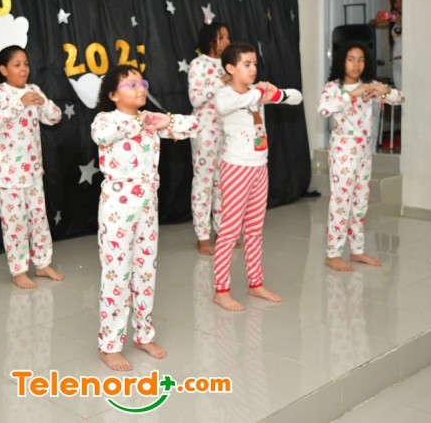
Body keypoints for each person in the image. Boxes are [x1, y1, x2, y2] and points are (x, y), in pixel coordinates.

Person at [91, 66, 198, 371]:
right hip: (117, 209)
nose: (140, 88)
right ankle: (110, 345)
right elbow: (102, 135)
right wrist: (137, 122)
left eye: (142, 83)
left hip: (148, 208)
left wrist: (167, 121)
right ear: (113, 95)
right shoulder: (106, 119)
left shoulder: (149, 120)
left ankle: (143, 334)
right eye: (131, 84)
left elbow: (195, 126)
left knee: (145, 273)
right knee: (117, 275)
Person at [212, 42, 303, 311]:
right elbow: (226, 105)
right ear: (231, 68)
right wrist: (259, 94)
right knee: (229, 231)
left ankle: (256, 283)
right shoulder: (226, 95)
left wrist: (275, 93)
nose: (253, 69)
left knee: (254, 230)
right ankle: (221, 291)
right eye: (246, 64)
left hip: (260, 167)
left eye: (254, 64)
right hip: (236, 168)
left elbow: (296, 97)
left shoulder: (256, 93)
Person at [318, 42, 405, 272]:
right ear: (342, 62)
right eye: (351, 59)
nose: (356, 64)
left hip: (364, 154)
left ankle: (357, 250)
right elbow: (324, 109)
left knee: (360, 202)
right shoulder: (333, 87)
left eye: (361, 60)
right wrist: (351, 94)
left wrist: (384, 91)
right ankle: (333, 254)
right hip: (342, 154)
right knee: (340, 203)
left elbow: (400, 98)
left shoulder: (369, 86)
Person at [0, 45, 64, 289]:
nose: (23, 69)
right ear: (3, 70)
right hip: (7, 173)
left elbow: (55, 117)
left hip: (33, 169)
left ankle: (42, 263)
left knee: (39, 218)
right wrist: (18, 104)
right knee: (15, 222)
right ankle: (18, 269)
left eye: (26, 64)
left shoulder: (34, 90)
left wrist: (43, 102)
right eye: (17, 65)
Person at [188, 22, 231, 255]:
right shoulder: (198, 64)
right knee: (203, 182)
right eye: (221, 37)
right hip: (205, 130)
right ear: (210, 39)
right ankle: (202, 235)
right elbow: (195, 99)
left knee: (223, 183)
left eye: (227, 37)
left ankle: (222, 231)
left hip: (227, 130)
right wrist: (220, 81)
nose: (226, 41)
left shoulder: (229, 64)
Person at [369, 0, 403, 89]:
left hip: (408, 60)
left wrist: (390, 16)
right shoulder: (394, 20)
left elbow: (399, 19)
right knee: (400, 93)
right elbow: (372, 23)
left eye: (401, 1)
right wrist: (378, 19)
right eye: (395, 2)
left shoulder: (409, 17)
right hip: (396, 61)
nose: (398, 4)